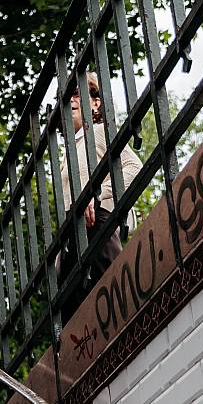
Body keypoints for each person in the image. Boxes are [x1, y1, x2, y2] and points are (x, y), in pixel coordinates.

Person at [58, 73, 143, 323]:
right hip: (74, 239)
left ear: (95, 103)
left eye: (77, 93)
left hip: (99, 224)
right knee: (78, 321)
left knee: (114, 303)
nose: (70, 100)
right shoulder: (70, 151)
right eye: (65, 96)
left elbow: (132, 166)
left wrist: (95, 196)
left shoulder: (97, 132)